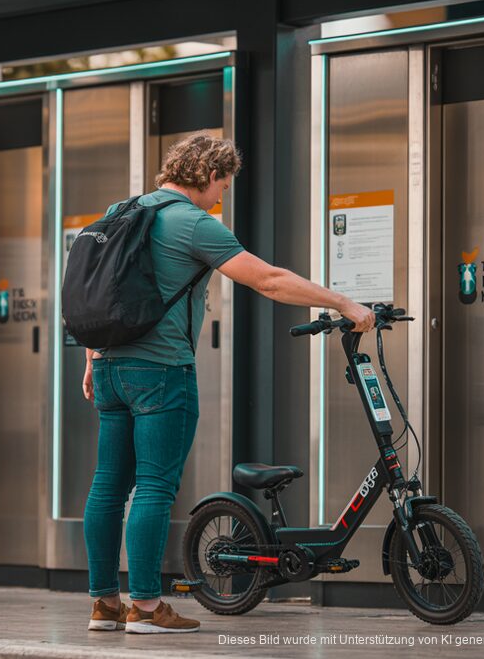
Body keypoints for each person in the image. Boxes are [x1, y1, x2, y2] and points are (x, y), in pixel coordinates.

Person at [82, 133, 374, 634]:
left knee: (108, 486)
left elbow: (99, 291)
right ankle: (147, 608)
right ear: (210, 175)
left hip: (108, 367)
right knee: (153, 486)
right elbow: (268, 279)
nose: (222, 197)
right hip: (161, 373)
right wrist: (342, 303)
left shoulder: (122, 210)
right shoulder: (193, 222)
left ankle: (104, 604)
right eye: (224, 185)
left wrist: (93, 359)